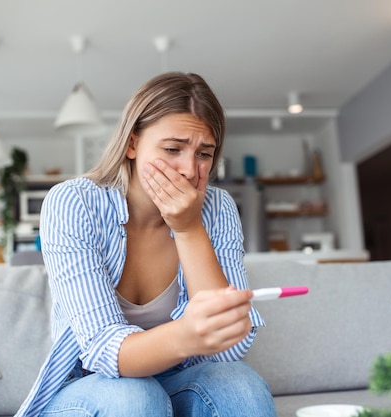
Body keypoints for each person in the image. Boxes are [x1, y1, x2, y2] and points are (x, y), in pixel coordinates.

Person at [15, 72, 276, 417]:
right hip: (91, 387)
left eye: (204, 153)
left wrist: (188, 229)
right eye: (172, 149)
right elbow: (100, 350)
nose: (187, 169)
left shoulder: (218, 208)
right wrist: (186, 334)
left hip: (175, 378)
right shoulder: (74, 202)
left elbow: (229, 348)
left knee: (240, 385)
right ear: (132, 143)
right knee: (136, 397)